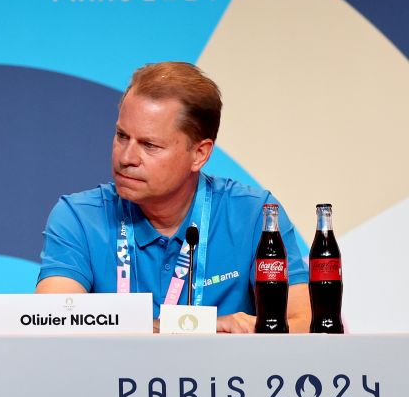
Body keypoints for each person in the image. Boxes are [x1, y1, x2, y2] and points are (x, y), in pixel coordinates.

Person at [36, 61, 309, 332]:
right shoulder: (79, 217)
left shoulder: (253, 215)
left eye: (149, 145)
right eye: (121, 136)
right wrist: (204, 327)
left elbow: (304, 323)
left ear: (199, 154)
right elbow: (52, 322)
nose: (126, 157)